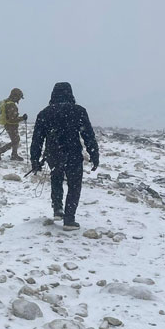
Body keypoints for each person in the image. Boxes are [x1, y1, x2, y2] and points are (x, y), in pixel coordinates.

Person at [30, 82, 99, 230]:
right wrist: (94, 154)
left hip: (53, 153)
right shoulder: (79, 111)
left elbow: (37, 139)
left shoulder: (44, 113)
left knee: (56, 178)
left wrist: (35, 159)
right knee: (74, 185)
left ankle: (57, 208)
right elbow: (88, 135)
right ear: (70, 93)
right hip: (73, 153)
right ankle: (69, 219)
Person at [0, 88, 27, 161]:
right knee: (15, 140)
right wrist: (22, 118)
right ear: (16, 96)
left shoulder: (7, 102)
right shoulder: (11, 105)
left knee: (16, 140)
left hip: (9, 125)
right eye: (19, 97)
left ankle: (14, 155)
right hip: (11, 126)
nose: (19, 99)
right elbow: (12, 119)